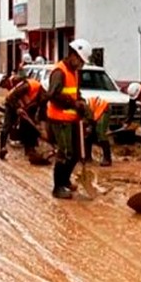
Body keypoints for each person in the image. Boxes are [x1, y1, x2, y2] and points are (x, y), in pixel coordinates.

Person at [45, 38, 91, 199]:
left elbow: (75, 93)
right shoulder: (60, 71)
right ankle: (57, 187)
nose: (81, 65)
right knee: (64, 153)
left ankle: (65, 181)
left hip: (71, 119)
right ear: (73, 55)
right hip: (59, 119)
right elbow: (53, 95)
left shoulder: (74, 72)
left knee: (76, 153)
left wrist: (81, 103)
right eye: (80, 61)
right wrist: (73, 103)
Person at [0, 73, 50, 164]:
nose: (44, 100)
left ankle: (30, 149)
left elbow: (42, 113)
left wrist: (42, 129)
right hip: (11, 104)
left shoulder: (42, 98)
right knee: (7, 125)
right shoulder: (28, 86)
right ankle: (2, 147)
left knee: (29, 126)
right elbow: (12, 97)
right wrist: (17, 107)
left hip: (25, 106)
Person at [84, 96, 113, 167]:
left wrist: (89, 126)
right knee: (87, 135)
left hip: (103, 109)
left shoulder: (82, 106)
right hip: (94, 111)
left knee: (100, 132)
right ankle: (87, 157)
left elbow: (89, 117)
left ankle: (107, 159)